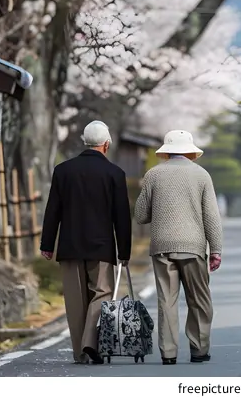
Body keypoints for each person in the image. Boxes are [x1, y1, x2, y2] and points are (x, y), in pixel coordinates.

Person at [40, 120, 132, 365]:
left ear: (84, 141)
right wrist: (124, 251)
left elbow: (53, 210)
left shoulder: (63, 170)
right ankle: (92, 341)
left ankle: (80, 353)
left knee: (75, 299)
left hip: (69, 245)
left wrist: (47, 243)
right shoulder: (114, 173)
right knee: (102, 292)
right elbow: (121, 216)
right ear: (106, 144)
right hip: (101, 246)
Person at [135, 129, 222, 366]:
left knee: (167, 300)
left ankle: (169, 353)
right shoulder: (202, 175)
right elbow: (211, 217)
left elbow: (141, 215)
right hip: (193, 247)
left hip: (162, 247)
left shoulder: (153, 174)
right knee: (199, 299)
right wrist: (216, 250)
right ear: (191, 151)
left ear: (167, 152)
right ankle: (199, 348)